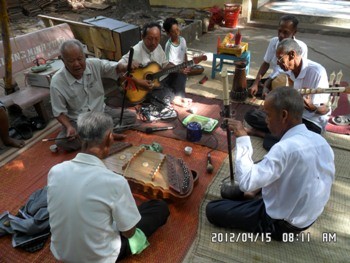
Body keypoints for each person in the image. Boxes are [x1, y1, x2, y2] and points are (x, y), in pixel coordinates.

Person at [206, 87, 335, 241]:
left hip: (283, 224)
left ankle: (256, 198)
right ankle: (255, 193)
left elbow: (246, 183)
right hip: (308, 215)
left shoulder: (283, 149)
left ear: (284, 115)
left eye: (268, 115)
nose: (265, 120)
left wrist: (243, 137)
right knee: (233, 189)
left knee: (213, 209)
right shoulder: (321, 141)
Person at [47, 111, 170, 262]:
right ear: (109, 138)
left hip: (61, 253)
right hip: (99, 258)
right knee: (159, 207)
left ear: (79, 136)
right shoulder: (116, 183)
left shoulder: (55, 171)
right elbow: (129, 232)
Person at [50, 39, 136, 152]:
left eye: (79, 59)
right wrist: (69, 127)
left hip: (101, 113)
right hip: (79, 122)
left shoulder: (94, 64)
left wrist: (125, 66)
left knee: (130, 117)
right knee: (62, 142)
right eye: (71, 61)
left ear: (85, 56)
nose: (76, 64)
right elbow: (58, 112)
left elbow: (114, 67)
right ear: (62, 60)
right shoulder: (57, 82)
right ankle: (107, 135)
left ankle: (96, 137)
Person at [245, 38, 330, 150]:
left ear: (292, 54)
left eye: (280, 59)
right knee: (251, 115)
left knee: (297, 145)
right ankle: (282, 137)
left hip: (310, 122)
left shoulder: (317, 72)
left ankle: (260, 133)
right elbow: (280, 89)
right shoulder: (288, 70)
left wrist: (312, 107)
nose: (278, 63)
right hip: (293, 117)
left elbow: (326, 109)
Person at [117, 21, 190, 103]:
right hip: (146, 88)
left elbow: (165, 65)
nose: (153, 43)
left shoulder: (158, 47)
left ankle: (175, 97)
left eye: (156, 39)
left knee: (181, 74)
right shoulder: (135, 51)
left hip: (159, 81)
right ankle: (174, 97)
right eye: (149, 39)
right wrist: (138, 81)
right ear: (142, 37)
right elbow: (118, 68)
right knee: (155, 93)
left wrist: (177, 68)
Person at [249, 15, 308, 97]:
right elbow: (266, 63)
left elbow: (299, 72)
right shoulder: (274, 42)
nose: (281, 35)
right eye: (279, 31)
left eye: (285, 32)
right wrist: (256, 83)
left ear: (294, 32)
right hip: (273, 79)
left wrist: (269, 84)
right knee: (248, 89)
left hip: (289, 83)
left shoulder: (301, 47)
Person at [163, 17, 189, 98]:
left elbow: (185, 54)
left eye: (177, 29)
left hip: (181, 70)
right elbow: (168, 64)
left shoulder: (183, 40)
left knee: (182, 82)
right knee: (179, 94)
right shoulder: (169, 46)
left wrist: (186, 66)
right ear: (168, 33)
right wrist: (180, 70)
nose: (177, 33)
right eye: (173, 32)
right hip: (173, 72)